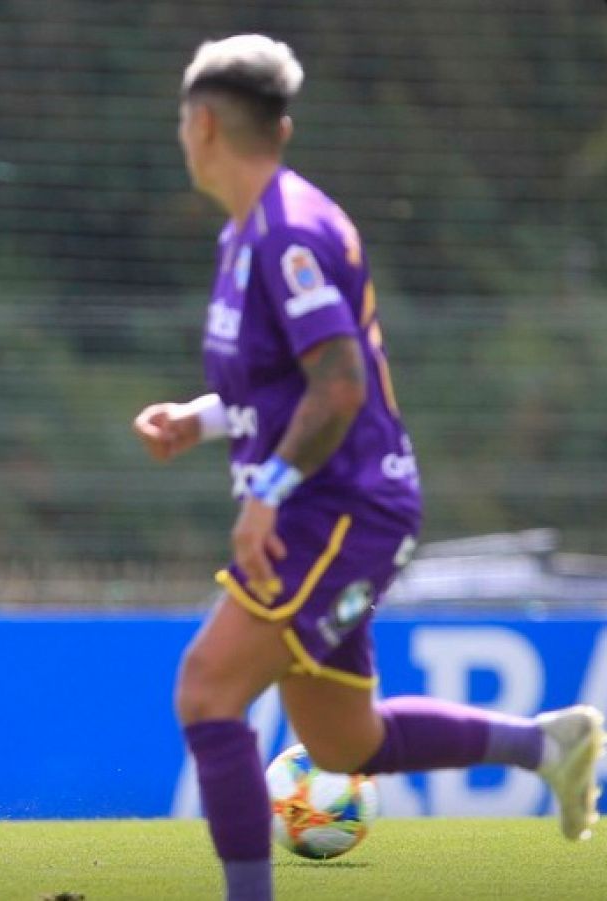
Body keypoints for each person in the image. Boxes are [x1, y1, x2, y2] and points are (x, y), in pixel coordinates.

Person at [132, 35, 604, 901]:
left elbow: (341, 384)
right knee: (345, 744)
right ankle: (548, 745)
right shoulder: (246, 235)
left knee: (206, 689)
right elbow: (283, 381)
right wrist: (197, 421)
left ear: (201, 126)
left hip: (337, 508)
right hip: (337, 508)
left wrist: (267, 492)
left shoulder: (289, 233)